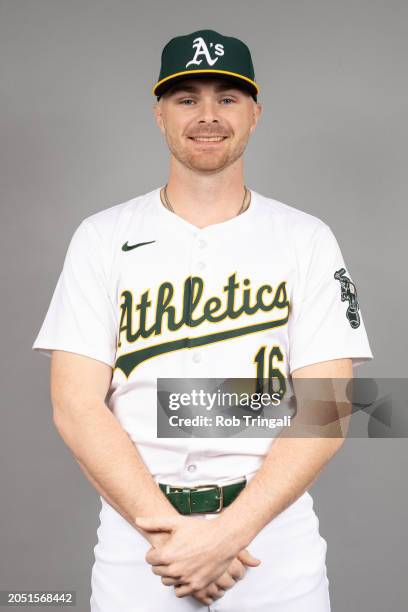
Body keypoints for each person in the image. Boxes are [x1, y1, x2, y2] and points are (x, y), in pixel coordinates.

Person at [32, 29, 374, 611]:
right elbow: (75, 405)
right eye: (187, 98)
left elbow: (328, 407)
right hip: (140, 545)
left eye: (228, 98)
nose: (208, 115)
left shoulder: (306, 239)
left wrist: (228, 535)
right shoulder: (101, 237)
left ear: (255, 114)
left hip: (271, 545)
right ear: (159, 115)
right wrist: (172, 538)